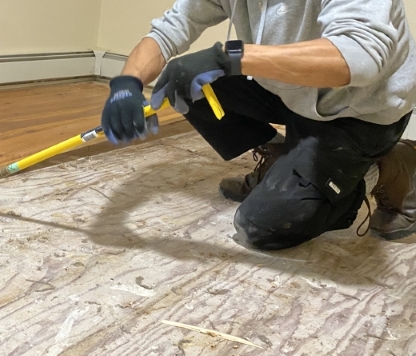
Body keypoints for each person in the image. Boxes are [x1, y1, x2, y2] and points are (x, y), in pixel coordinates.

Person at [100, 0, 416, 250]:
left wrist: (231, 56)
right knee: (186, 85)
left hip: (360, 109)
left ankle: (386, 163)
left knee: (266, 226)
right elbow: (169, 29)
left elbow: (361, 54)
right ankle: (283, 157)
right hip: (290, 91)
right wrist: (126, 83)